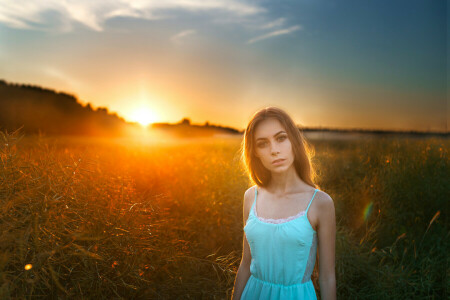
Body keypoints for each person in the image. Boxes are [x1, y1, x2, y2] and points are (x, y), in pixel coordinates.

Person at [231, 106, 336, 300]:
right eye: (263, 144)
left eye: (281, 138)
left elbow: (327, 277)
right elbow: (246, 263)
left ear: (294, 141)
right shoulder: (250, 197)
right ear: (255, 152)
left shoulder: (320, 203)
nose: (274, 150)